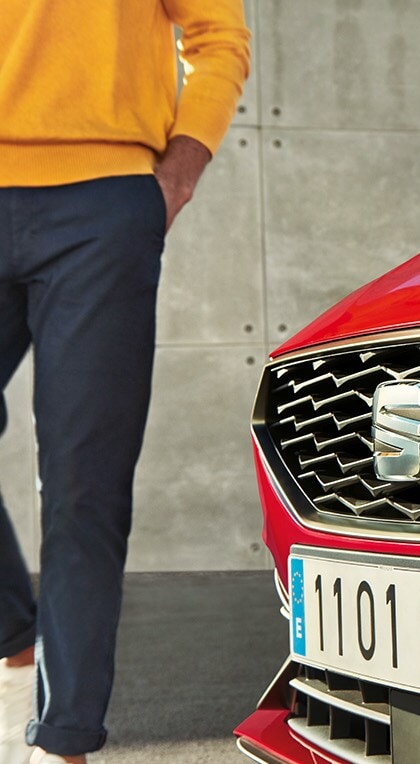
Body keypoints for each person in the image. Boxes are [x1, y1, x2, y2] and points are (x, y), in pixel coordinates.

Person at [0, 2, 250, 761]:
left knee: (82, 477)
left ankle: (65, 734)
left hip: (101, 202)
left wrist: (179, 169)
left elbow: (219, 36)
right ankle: (14, 627)